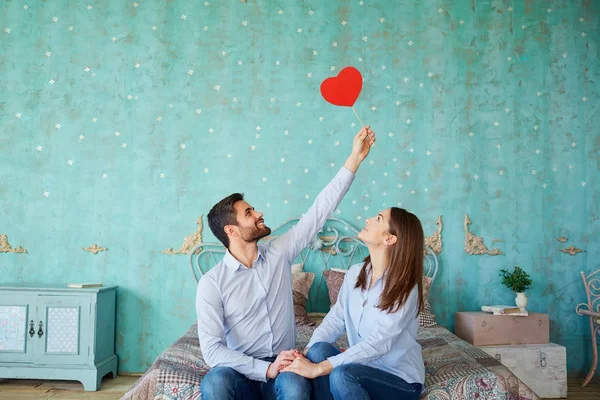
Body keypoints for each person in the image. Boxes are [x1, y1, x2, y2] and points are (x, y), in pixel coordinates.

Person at [196, 126, 376, 400]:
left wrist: (354, 159)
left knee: (293, 386)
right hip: (241, 370)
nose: (259, 213)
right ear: (231, 231)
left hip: (285, 366)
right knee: (214, 382)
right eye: (248, 213)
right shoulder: (212, 283)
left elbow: (319, 211)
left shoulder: (279, 253)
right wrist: (265, 369)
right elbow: (211, 350)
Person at [282, 207, 425, 400]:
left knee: (343, 375)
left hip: (399, 379)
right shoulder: (355, 273)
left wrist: (318, 368)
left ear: (389, 239)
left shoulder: (406, 288)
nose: (368, 219)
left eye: (378, 218)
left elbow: (378, 343)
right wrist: (306, 352)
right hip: (361, 367)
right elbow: (336, 319)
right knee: (318, 349)